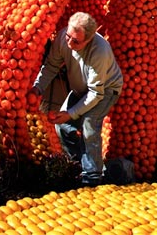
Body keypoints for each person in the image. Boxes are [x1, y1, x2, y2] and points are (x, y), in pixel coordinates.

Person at [29, 12, 123, 185]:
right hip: (81, 89)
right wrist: (37, 88)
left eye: (76, 41)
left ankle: (92, 177)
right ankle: (79, 165)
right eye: (68, 36)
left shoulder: (99, 51)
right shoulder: (63, 38)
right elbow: (51, 66)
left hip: (106, 90)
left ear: (89, 40)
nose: (70, 43)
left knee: (89, 123)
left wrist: (71, 113)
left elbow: (96, 93)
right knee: (62, 126)